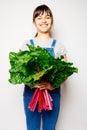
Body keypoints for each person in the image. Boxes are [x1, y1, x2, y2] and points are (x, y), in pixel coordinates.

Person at [21, 4, 67, 130]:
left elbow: (64, 73)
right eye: (39, 18)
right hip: (31, 93)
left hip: (52, 94)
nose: (43, 21)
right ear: (34, 22)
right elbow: (21, 71)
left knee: (49, 128)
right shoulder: (27, 45)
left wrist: (53, 85)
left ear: (51, 21)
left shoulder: (58, 46)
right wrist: (31, 83)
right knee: (32, 128)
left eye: (47, 17)